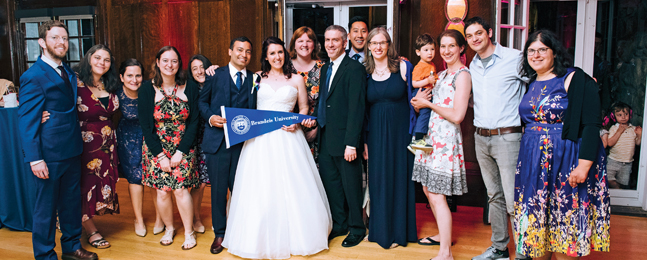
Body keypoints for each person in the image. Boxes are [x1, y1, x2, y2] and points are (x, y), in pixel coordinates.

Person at [222, 36, 331, 259]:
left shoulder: (297, 80)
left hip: (288, 139)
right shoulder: (256, 79)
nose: (277, 57)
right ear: (265, 57)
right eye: (272, 53)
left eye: (280, 52)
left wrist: (296, 121)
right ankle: (256, 238)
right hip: (259, 141)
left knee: (292, 186)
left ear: (285, 54)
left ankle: (299, 236)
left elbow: (304, 109)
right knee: (260, 187)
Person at [514, 29, 610, 259]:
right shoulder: (532, 82)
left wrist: (584, 165)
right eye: (531, 51)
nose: (536, 55)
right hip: (533, 162)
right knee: (538, 231)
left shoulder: (573, 78)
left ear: (555, 53)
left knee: (563, 226)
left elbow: (590, 124)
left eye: (542, 50)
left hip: (566, 159)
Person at [18, 20, 98, 260]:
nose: (61, 42)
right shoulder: (33, 76)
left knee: (71, 204)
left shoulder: (67, 72)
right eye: (55, 38)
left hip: (72, 149)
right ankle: (44, 255)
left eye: (64, 38)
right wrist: (35, 159)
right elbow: (27, 122)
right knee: (45, 209)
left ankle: (72, 248)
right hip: (48, 154)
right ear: (42, 42)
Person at [463, 17, 529, 260]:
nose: (474, 39)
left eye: (478, 33)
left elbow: (539, 83)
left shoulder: (515, 58)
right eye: (470, 36)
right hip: (481, 138)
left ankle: (524, 252)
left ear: (489, 32)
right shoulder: (472, 65)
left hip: (508, 138)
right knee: (494, 197)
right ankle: (500, 249)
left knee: (513, 200)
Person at [410, 29, 471, 260]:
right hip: (429, 136)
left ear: (461, 48)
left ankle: (446, 253)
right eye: (442, 46)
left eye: (451, 46)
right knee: (427, 189)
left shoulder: (462, 75)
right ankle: (441, 235)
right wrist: (419, 103)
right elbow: (429, 103)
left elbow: (457, 115)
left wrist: (429, 106)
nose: (445, 51)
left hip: (445, 141)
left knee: (437, 194)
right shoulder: (442, 74)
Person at [198, 36, 257, 254]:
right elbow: (202, 102)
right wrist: (211, 117)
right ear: (230, 51)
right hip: (218, 142)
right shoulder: (215, 75)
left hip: (245, 145)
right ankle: (220, 233)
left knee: (243, 190)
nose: (244, 55)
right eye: (240, 50)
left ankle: (243, 231)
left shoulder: (255, 78)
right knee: (219, 192)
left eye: (248, 51)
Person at [139, 46, 200, 250]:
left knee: (181, 190)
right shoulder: (147, 89)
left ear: (179, 64)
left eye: (174, 61)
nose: (169, 65)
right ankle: (169, 228)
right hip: (156, 148)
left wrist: (181, 152)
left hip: (184, 147)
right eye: (165, 60)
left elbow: (194, 122)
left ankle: (189, 233)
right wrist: (160, 155)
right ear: (157, 63)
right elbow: (146, 127)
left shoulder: (189, 87)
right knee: (163, 192)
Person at [362, 27, 417, 249]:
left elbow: (415, 100)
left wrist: (416, 134)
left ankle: (397, 233)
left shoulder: (403, 66)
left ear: (388, 45)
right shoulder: (364, 72)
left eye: (382, 42)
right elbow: (363, 110)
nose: (378, 47)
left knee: (399, 178)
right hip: (374, 134)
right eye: (373, 43)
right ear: (368, 47)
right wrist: (364, 140)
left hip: (400, 133)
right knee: (377, 180)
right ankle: (378, 230)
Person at [315, 25, 367, 248]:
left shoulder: (354, 69)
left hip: (346, 141)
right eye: (327, 40)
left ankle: (357, 228)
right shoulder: (325, 68)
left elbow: (357, 108)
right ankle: (340, 223)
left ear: (345, 42)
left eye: (335, 40)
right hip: (325, 137)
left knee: (351, 185)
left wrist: (351, 143)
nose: (330, 44)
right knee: (332, 184)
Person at [72, 44, 121, 249]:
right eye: (98, 58)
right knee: (83, 186)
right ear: (89, 58)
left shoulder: (110, 85)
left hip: (107, 146)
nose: (102, 63)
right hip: (83, 145)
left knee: (100, 183)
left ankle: (82, 221)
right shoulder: (75, 82)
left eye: (107, 60)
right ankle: (91, 230)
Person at [115, 59, 163, 237]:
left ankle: (160, 218)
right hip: (127, 140)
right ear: (121, 77)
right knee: (135, 179)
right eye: (129, 75)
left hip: (150, 136)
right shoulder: (116, 94)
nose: (134, 80)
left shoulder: (150, 89)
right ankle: (139, 219)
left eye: (138, 75)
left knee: (155, 178)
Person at [187, 54, 216, 233]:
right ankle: (195, 218)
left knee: (220, 181)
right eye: (194, 68)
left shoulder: (217, 81)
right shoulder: (190, 89)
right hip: (197, 139)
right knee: (200, 183)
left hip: (216, 135)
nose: (199, 71)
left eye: (202, 66)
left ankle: (223, 217)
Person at [288, 26, 325, 161]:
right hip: (289, 130)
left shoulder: (324, 68)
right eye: (300, 41)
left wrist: (317, 129)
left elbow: (327, 102)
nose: (305, 44)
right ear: (294, 45)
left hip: (316, 130)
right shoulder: (283, 67)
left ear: (314, 45)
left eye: (309, 41)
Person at [408, 33, 437, 152]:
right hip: (420, 91)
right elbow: (413, 83)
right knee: (424, 113)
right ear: (418, 52)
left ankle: (414, 140)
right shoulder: (419, 67)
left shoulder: (431, 64)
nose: (430, 53)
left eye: (432, 49)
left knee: (427, 114)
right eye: (426, 50)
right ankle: (417, 138)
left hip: (428, 91)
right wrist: (427, 80)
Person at [606, 102, 642, 189]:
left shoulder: (633, 129)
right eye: (619, 115)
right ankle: (618, 190)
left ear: (630, 115)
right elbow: (609, 143)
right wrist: (619, 132)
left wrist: (639, 135)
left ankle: (620, 192)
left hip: (627, 162)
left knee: (623, 183)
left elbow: (638, 143)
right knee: (608, 179)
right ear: (613, 116)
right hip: (613, 160)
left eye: (626, 114)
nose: (623, 117)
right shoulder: (614, 128)